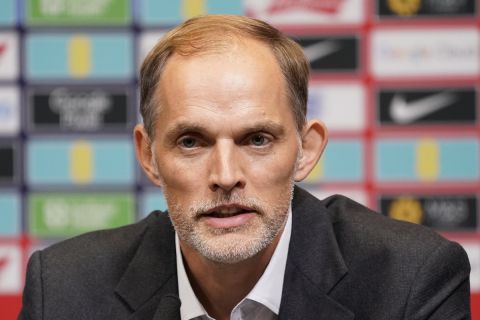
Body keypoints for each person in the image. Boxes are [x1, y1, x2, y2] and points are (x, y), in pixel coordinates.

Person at [19, 15, 471, 320]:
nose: (225, 174)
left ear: (306, 150)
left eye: (257, 139)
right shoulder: (63, 291)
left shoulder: (410, 281)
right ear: (149, 156)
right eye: (191, 142)